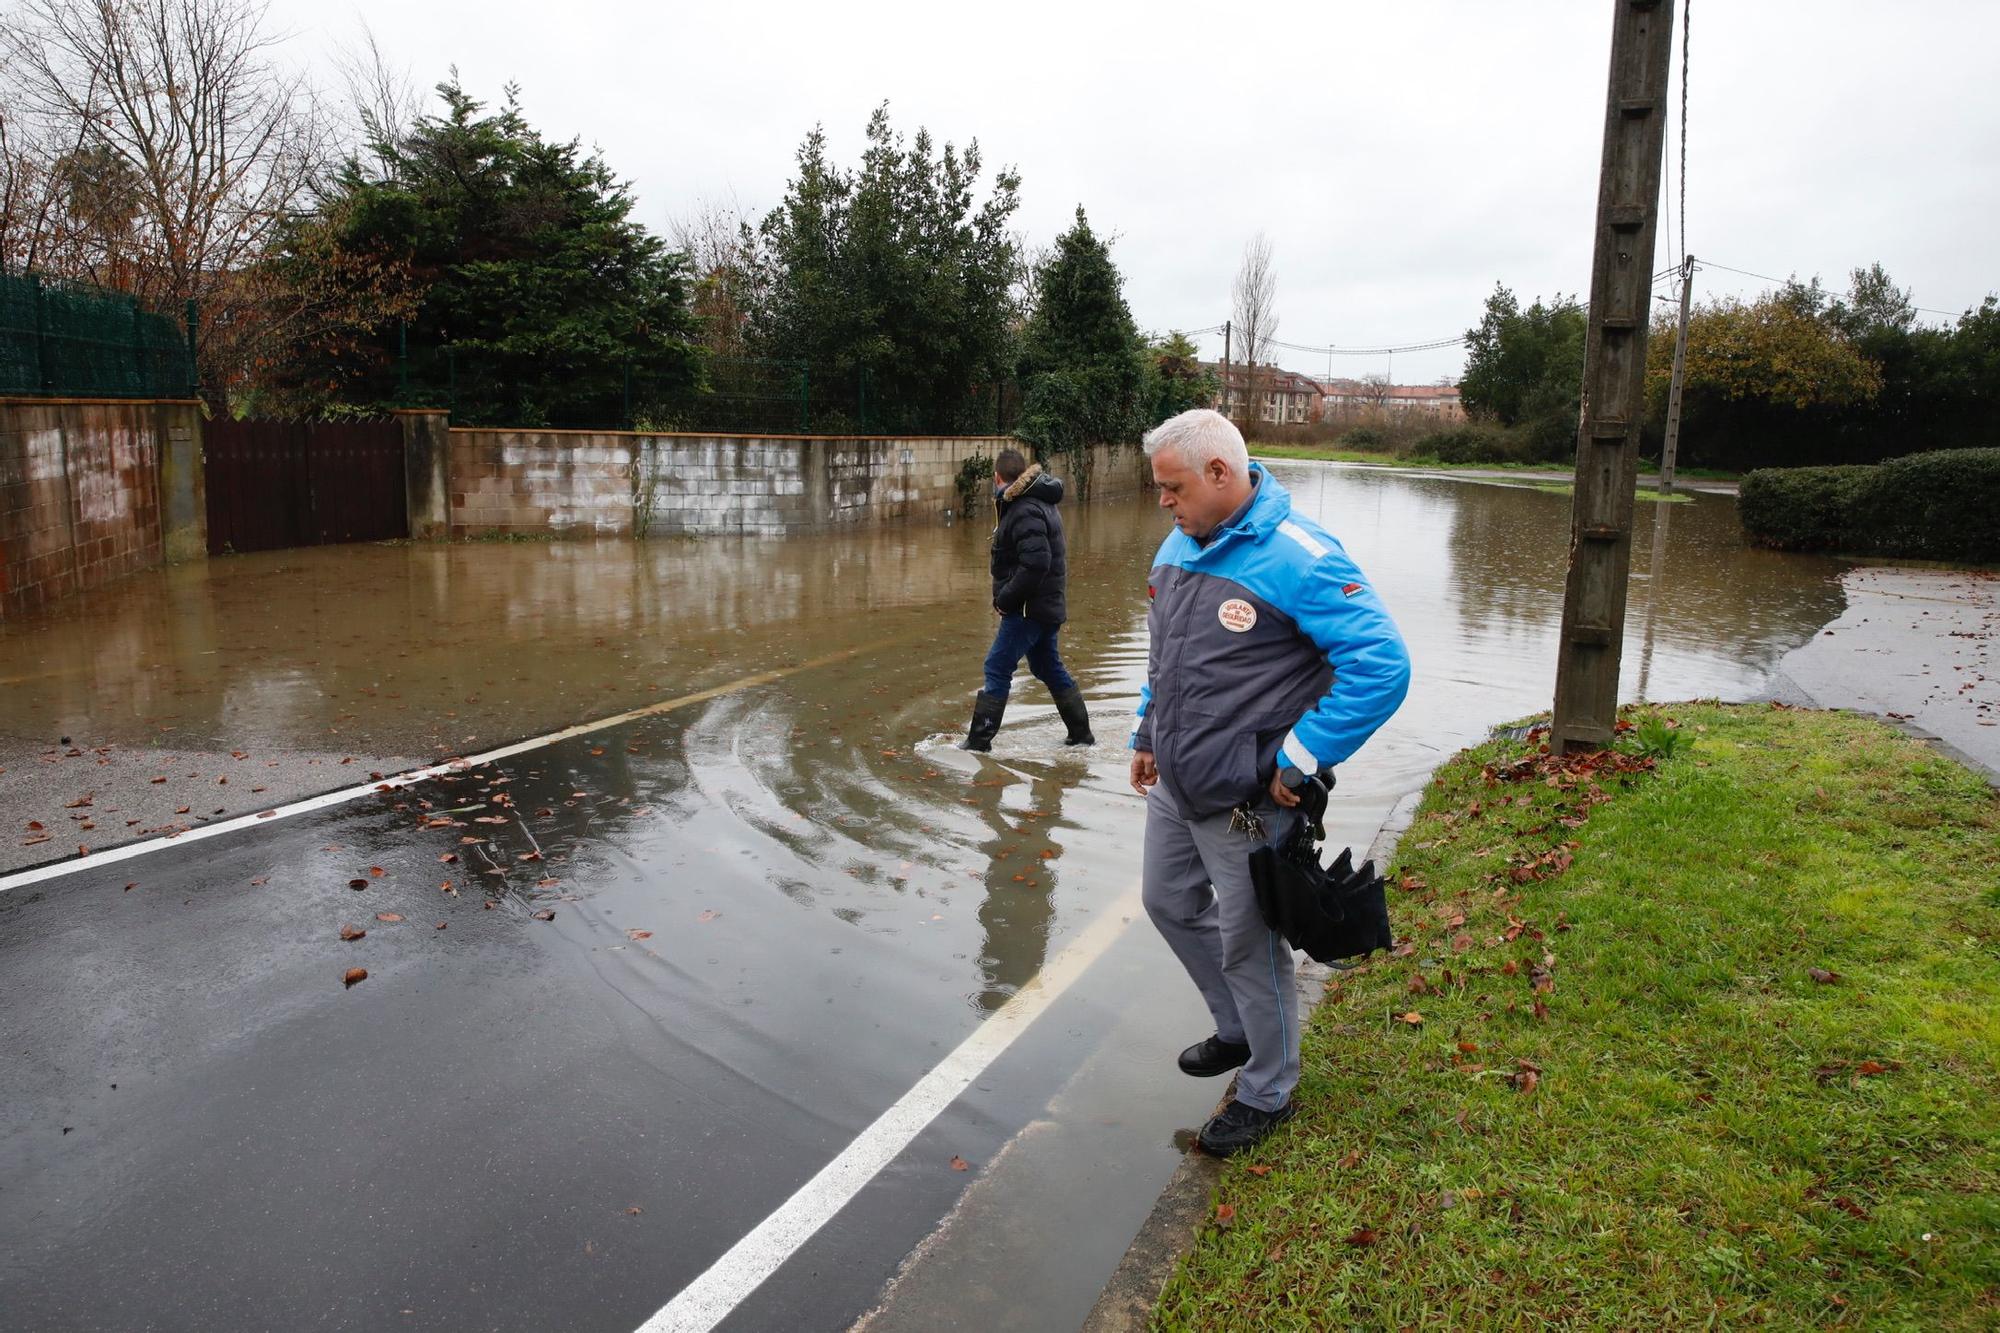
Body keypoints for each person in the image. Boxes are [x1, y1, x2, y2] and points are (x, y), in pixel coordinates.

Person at [1129, 409, 1410, 1157]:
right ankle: (1238, 1027)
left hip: (1249, 797)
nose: (1164, 501)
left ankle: (1267, 1089)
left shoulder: (1301, 557)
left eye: (1172, 487)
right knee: (1166, 901)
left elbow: (1382, 666)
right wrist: (1146, 732)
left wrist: (1303, 754)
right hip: (1181, 780)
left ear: (1220, 473)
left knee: (1249, 945)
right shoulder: (1178, 544)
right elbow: (1169, 659)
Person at [963, 450, 1093, 752]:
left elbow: (1036, 564)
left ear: (998, 478)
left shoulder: (1024, 509)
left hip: (1028, 609)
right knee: (1046, 665)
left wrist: (1005, 600)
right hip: (1043, 605)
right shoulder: (1037, 503)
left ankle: (978, 743)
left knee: (996, 666)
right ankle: (1081, 735)